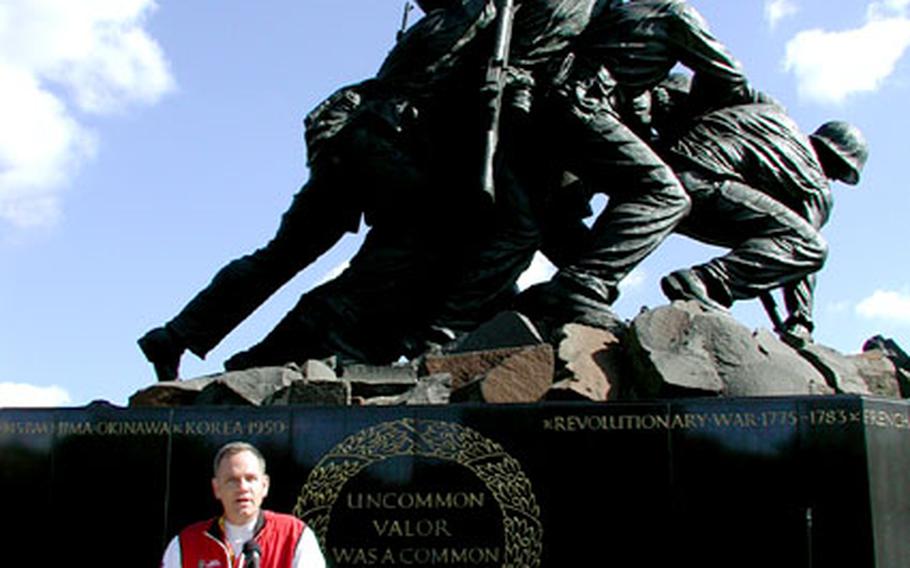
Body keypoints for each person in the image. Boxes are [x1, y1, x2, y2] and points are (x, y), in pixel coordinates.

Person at [139, 0, 598, 378]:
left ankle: (180, 332)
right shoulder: (476, 18)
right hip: (388, 147)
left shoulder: (436, 25)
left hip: (352, 140)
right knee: (420, 247)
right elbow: (475, 86)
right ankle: (285, 358)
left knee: (279, 256)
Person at [512, 0, 762, 328]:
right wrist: (690, 116)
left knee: (567, 214)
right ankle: (578, 286)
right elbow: (731, 76)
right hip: (582, 106)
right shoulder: (675, 13)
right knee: (666, 195)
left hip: (555, 105)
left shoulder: (617, 11)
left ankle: (562, 292)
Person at [648, 75, 869, 345]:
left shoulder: (770, 111)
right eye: (840, 173)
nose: (835, 180)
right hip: (703, 186)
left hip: (659, 168)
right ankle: (708, 282)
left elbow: (723, 82)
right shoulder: (815, 186)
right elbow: (802, 251)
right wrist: (801, 320)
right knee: (810, 246)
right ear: (837, 163)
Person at [160, 441, 325, 568]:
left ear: (264, 485)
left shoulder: (294, 536)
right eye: (232, 480)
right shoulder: (185, 544)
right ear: (217, 488)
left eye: (251, 479)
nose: (243, 488)